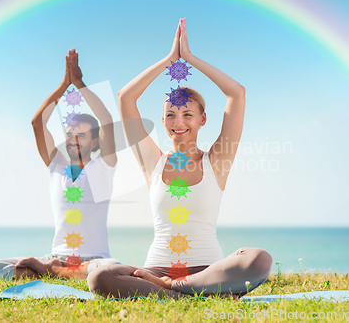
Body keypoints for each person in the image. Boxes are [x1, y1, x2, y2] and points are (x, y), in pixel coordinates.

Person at [88, 18, 272, 298]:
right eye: (171, 114)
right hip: (156, 271)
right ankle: (195, 294)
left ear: (202, 119)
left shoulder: (216, 162)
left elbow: (237, 93)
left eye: (187, 114)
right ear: (162, 120)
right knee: (100, 276)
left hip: (208, 271)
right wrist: (169, 59)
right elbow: (126, 97)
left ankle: (178, 290)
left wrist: (189, 58)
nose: (179, 122)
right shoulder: (154, 162)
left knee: (259, 258)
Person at [0, 49, 120, 281]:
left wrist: (79, 84)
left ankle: (50, 273)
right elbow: (37, 122)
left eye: (82, 135)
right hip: (57, 255)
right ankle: (57, 270)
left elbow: (106, 120)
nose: (73, 140)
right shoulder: (56, 163)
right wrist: (63, 85)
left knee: (111, 268)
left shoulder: (104, 166)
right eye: (69, 134)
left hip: (94, 258)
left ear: (95, 141)